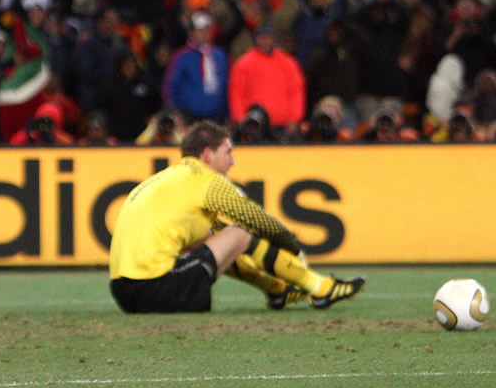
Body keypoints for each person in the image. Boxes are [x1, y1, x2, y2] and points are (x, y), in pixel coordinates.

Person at [108, 120, 365, 314]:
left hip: (125, 294)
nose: (233, 161)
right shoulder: (204, 180)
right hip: (156, 291)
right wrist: (291, 245)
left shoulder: (168, 178)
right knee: (241, 232)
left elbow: (217, 241)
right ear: (207, 155)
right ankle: (319, 287)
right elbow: (257, 221)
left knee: (216, 238)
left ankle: (278, 291)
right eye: (228, 152)